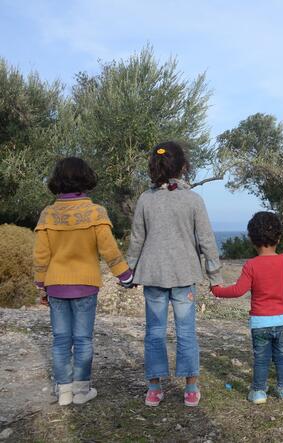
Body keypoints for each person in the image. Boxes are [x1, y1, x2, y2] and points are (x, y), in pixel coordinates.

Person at [127, 141, 222, 407]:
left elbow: (137, 239)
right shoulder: (193, 200)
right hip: (184, 274)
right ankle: (191, 387)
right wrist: (215, 275)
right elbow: (206, 240)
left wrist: (129, 270)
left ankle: (154, 387)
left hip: (153, 275)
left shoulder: (146, 199)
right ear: (183, 167)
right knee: (187, 331)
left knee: (154, 331)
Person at [34, 157, 134, 406]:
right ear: (86, 178)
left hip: (55, 285)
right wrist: (125, 275)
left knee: (60, 339)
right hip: (86, 285)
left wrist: (40, 284)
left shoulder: (48, 214)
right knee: (83, 339)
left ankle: (64, 391)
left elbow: (41, 254)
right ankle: (81, 389)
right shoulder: (95, 212)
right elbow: (109, 249)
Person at [212, 212, 283, 404]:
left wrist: (217, 291)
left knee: (261, 358)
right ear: (279, 237)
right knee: (282, 357)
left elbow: (238, 290)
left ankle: (258, 392)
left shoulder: (251, 265)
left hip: (260, 322)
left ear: (251, 239)